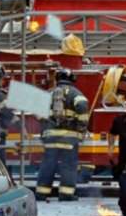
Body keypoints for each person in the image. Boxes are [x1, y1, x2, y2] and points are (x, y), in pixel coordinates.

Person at [35, 68, 90, 202]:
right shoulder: (77, 95)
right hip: (69, 138)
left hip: (50, 137)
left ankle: (42, 193)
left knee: (48, 164)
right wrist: (81, 129)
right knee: (68, 165)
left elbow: (39, 115)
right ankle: (66, 194)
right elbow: (83, 112)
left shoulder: (49, 93)